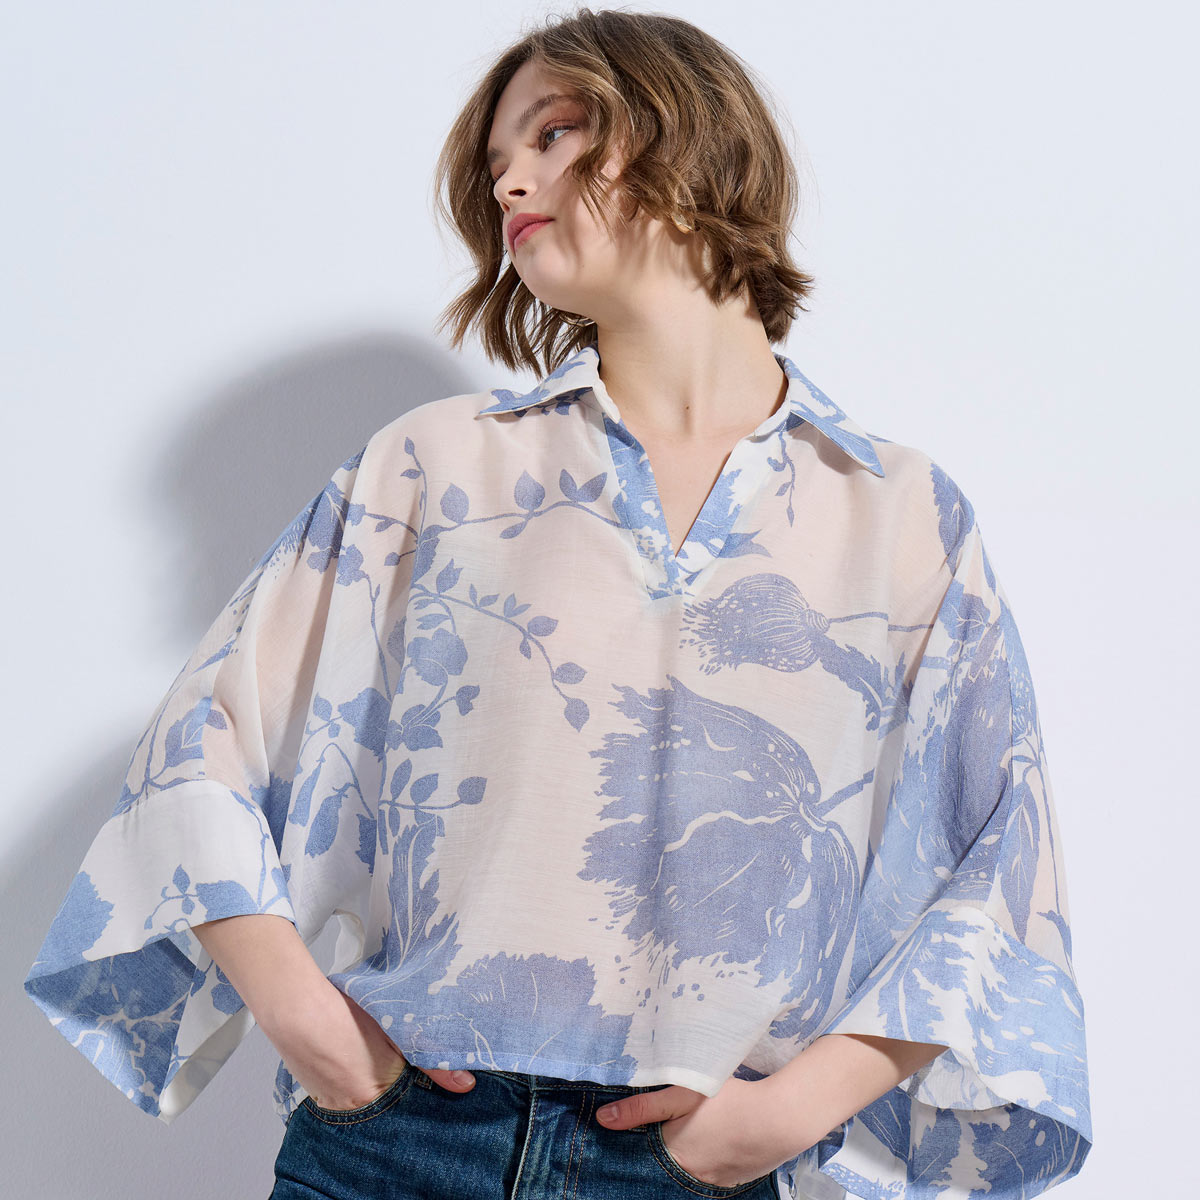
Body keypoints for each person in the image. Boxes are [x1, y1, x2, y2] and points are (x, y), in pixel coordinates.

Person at [23, 7, 1093, 1199]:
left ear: (688, 135)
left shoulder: (897, 512)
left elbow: (995, 862)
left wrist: (780, 1118)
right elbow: (201, 749)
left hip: (697, 1171)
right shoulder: (437, 467)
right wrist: (312, 1027)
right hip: (396, 1147)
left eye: (554, 134)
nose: (511, 183)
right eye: (496, 164)